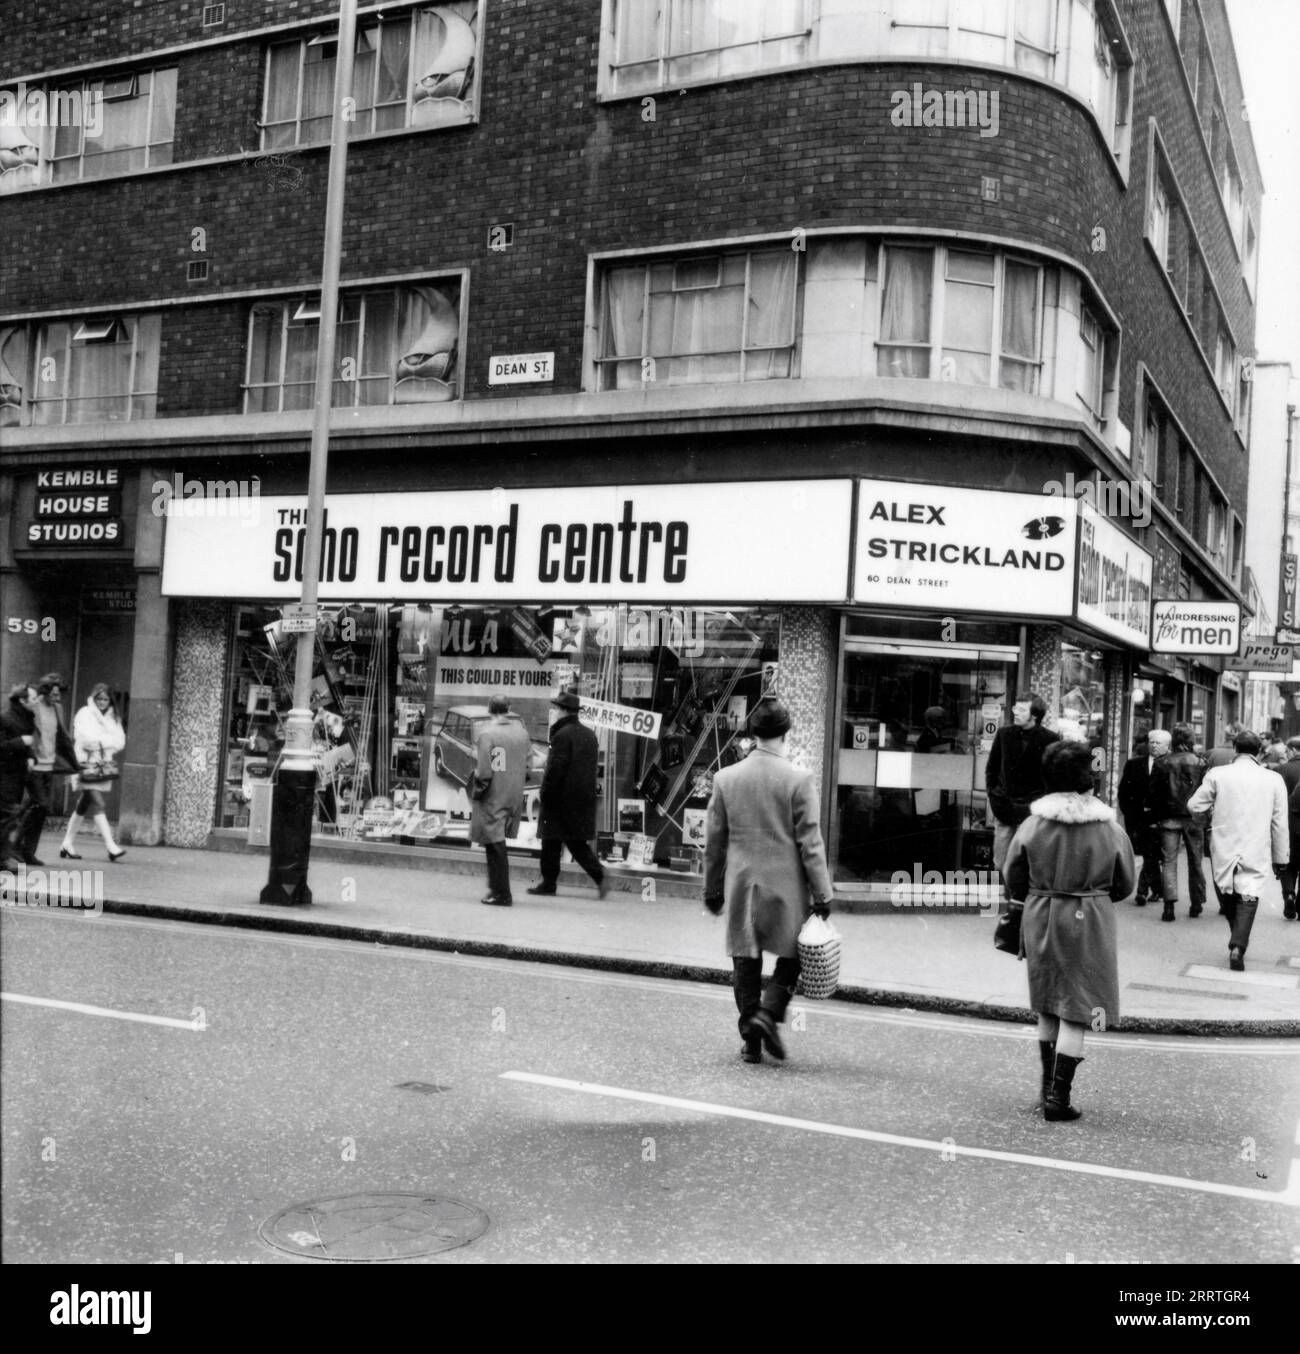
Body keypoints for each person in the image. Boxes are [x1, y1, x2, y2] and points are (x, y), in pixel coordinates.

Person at [1004, 741, 1135, 1122]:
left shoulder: (1032, 824)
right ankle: (1058, 1100)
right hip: (1088, 917)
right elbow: (1125, 884)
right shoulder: (1109, 828)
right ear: (1087, 779)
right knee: (1077, 1009)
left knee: (1048, 1000)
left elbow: (1013, 875)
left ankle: (1047, 1089)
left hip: (1041, 913)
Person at [703, 698, 834, 1064]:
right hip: (786, 890)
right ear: (785, 734)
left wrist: (712, 888)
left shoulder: (725, 778)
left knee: (745, 962)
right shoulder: (799, 779)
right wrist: (822, 893)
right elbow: (811, 843)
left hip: (743, 887)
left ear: (753, 734)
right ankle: (769, 1012)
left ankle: (751, 1039)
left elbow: (714, 843)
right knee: (793, 958)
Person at [1186, 730, 1289, 972]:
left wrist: (1205, 820)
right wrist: (1281, 858)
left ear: (1235, 748)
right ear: (1259, 751)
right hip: (1256, 845)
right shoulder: (1273, 779)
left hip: (1223, 844)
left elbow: (1194, 805)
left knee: (1227, 891)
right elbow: (1279, 822)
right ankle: (1238, 946)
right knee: (1249, 893)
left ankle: (1237, 939)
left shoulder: (1218, 774)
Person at [527, 690, 607, 899]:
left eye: (556, 708)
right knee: (575, 842)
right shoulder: (589, 735)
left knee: (550, 840)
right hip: (582, 798)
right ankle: (598, 876)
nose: (554, 712)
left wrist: (546, 793)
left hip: (560, 797)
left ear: (563, 711)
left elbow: (556, 769)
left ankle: (549, 882)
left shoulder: (561, 735)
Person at [985, 693, 1058, 890]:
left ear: (1034, 715)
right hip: (1004, 809)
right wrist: (994, 795)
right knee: (1000, 859)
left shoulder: (1050, 739)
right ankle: (1006, 899)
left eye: (1021, 709)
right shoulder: (1003, 734)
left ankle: (1021, 902)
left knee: (1028, 860)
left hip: (1032, 811)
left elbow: (1052, 777)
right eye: (1015, 707)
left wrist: (1042, 805)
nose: (1014, 711)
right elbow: (991, 769)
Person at [472, 693, 532, 907]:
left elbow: (484, 771)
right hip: (514, 793)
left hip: (493, 795)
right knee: (497, 843)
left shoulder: (487, 734)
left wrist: (478, 791)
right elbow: (528, 766)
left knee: (495, 846)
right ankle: (497, 890)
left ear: (489, 710)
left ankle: (501, 893)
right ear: (509, 708)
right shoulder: (522, 733)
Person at [59, 683, 127, 863]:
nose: (103, 702)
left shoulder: (114, 718)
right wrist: (106, 742)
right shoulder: (84, 713)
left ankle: (67, 843)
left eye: (106, 699)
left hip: (102, 766)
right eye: (99, 699)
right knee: (98, 801)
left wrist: (101, 742)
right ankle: (111, 846)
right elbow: (84, 739)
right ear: (94, 698)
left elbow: (120, 741)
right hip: (85, 764)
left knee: (84, 804)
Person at [17, 672, 78, 867]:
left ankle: (28, 852)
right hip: (34, 765)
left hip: (50, 766)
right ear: (44, 692)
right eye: (54, 694)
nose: (57, 698)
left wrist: (74, 763)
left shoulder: (58, 709)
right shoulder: (33, 707)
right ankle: (15, 845)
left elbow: (63, 737)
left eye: (59, 694)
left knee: (39, 810)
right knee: (41, 804)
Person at [1146, 723, 1206, 922]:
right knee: (1195, 861)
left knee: (1169, 861)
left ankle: (1169, 905)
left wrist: (1155, 817)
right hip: (1193, 818)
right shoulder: (1200, 763)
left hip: (1169, 816)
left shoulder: (1162, 762)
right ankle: (1196, 902)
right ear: (1191, 741)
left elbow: (1153, 793)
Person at [1117, 729, 1167, 908]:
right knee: (1149, 854)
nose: (1153, 745)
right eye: (1152, 742)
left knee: (1149, 854)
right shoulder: (1133, 764)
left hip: (1158, 819)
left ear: (1167, 747)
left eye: (1158, 743)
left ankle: (1142, 891)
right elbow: (1123, 792)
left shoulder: (1169, 765)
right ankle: (1158, 887)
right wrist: (1128, 813)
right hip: (1136, 819)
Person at [1, 683, 39, 871]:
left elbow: (28, 744)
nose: (37, 702)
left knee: (8, 817)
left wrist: (31, 756)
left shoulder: (27, 719)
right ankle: (4, 859)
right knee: (9, 815)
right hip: (4, 776)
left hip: (17, 776)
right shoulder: (5, 718)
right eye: (33, 699)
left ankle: (5, 858)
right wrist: (19, 742)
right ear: (22, 701)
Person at [1276, 737, 1300, 920]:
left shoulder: (1281, 771)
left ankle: (1289, 893)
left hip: (1287, 824)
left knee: (1288, 864)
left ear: (1292, 750)